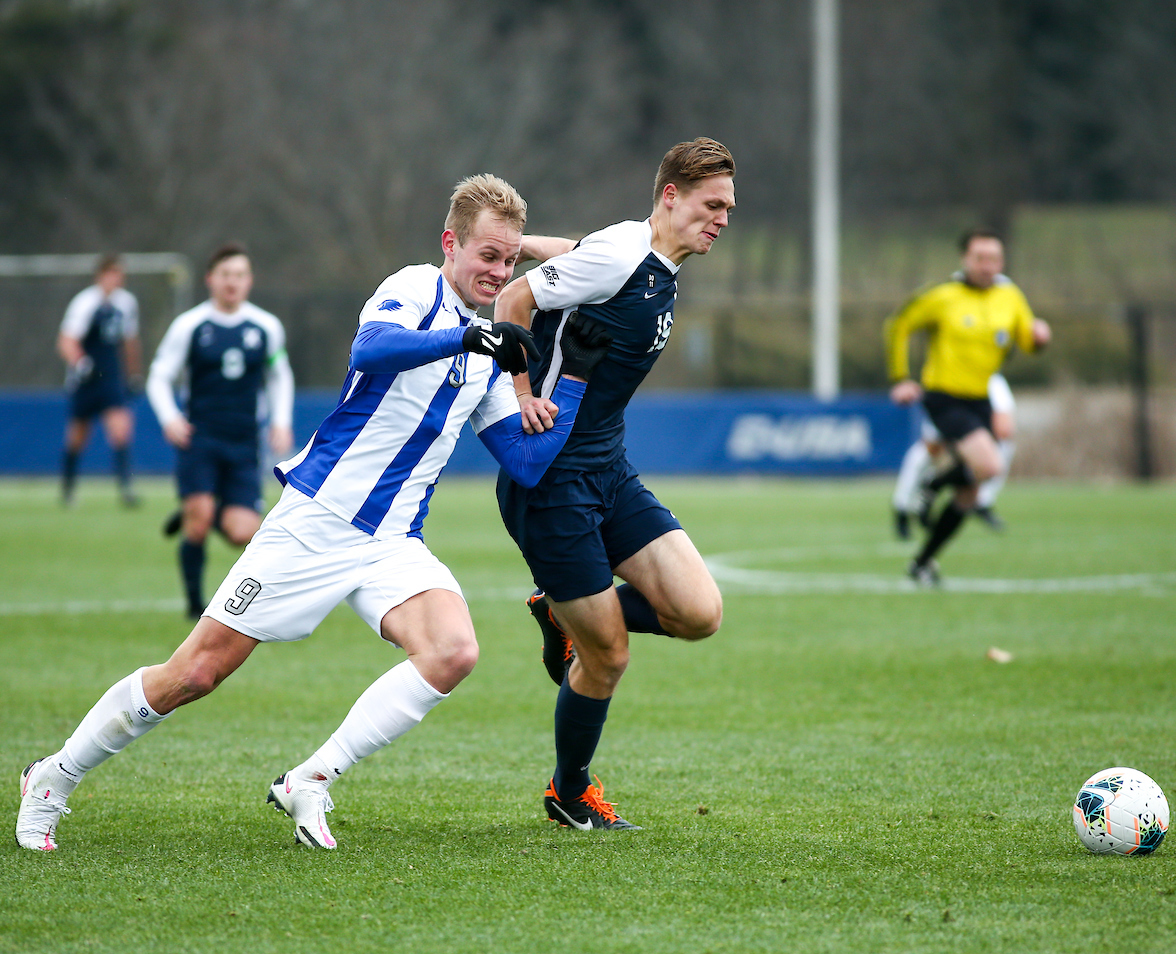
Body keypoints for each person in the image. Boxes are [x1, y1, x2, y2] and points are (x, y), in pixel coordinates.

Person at [16, 173, 612, 853]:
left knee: (453, 650)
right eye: (488, 256)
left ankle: (311, 778)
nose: (499, 272)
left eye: (510, 261)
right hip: (317, 519)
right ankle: (54, 777)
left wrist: (575, 379)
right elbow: (371, 350)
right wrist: (467, 342)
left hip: (391, 540)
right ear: (451, 244)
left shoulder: (490, 347)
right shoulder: (417, 288)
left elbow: (526, 462)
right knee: (195, 673)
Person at [491, 138, 734, 830]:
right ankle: (570, 793)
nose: (721, 219)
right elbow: (511, 301)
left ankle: (558, 609)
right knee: (608, 655)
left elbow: (585, 254)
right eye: (711, 205)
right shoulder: (622, 253)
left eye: (728, 209)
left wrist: (531, 242)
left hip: (609, 468)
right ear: (670, 196)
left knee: (698, 612)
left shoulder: (642, 252)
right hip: (552, 477)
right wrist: (518, 392)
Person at [884, 230, 1051, 585]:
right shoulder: (943, 295)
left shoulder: (1010, 296)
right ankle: (931, 484)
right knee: (990, 465)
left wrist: (1038, 338)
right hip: (944, 396)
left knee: (970, 492)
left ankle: (922, 562)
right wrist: (900, 377)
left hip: (981, 398)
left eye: (994, 259)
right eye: (980, 258)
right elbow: (899, 325)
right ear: (965, 259)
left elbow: (1025, 339)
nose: (987, 266)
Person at [146, 245, 295, 619]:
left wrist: (281, 420)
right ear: (211, 279)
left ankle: (202, 510)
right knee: (198, 523)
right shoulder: (191, 326)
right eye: (226, 275)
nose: (233, 282)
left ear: (249, 281)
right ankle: (195, 606)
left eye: (240, 275)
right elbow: (159, 376)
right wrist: (169, 417)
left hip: (244, 441)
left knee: (242, 532)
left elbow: (279, 375)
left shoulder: (265, 327)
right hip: (201, 439)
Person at [57, 253, 142, 507]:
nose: (117, 280)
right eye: (112, 274)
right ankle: (68, 488)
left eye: (120, 275)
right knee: (78, 435)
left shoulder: (126, 304)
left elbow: (130, 342)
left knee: (121, 430)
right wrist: (81, 363)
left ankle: (126, 489)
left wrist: (134, 374)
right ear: (101, 276)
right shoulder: (84, 303)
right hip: (85, 379)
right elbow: (66, 341)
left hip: (110, 377)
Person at [891, 372, 1016, 538]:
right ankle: (903, 508)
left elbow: (1004, 428)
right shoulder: (944, 376)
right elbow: (932, 442)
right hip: (947, 430)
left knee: (1003, 450)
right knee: (918, 457)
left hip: (977, 437)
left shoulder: (994, 381)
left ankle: (981, 501)